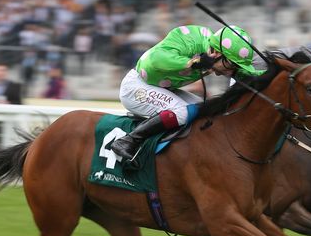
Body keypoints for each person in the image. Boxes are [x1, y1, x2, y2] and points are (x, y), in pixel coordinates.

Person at [111, 25, 261, 168]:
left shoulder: (214, 54)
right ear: (216, 52)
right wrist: (192, 62)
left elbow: (248, 75)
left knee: (207, 110)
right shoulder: (190, 38)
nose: (230, 72)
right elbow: (156, 59)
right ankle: (128, 140)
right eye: (230, 65)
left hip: (162, 88)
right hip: (136, 86)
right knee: (182, 112)